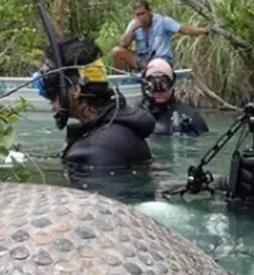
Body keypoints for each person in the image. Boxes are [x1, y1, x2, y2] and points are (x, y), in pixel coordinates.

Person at [31, 34, 156, 169]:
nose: (47, 98)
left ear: (76, 91)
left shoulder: (95, 152)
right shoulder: (115, 127)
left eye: (51, 91)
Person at [111, 1, 213, 72]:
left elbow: (185, 29)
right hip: (142, 61)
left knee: (157, 64)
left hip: (161, 61)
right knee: (117, 51)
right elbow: (123, 44)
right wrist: (132, 29)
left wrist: (205, 31)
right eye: (138, 15)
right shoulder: (134, 24)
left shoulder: (163, 21)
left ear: (149, 11)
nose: (140, 17)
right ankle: (122, 84)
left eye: (143, 13)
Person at [137, 57, 209, 136]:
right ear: (144, 84)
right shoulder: (134, 116)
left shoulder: (191, 117)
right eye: (152, 84)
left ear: (173, 83)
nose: (158, 90)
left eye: (164, 83)